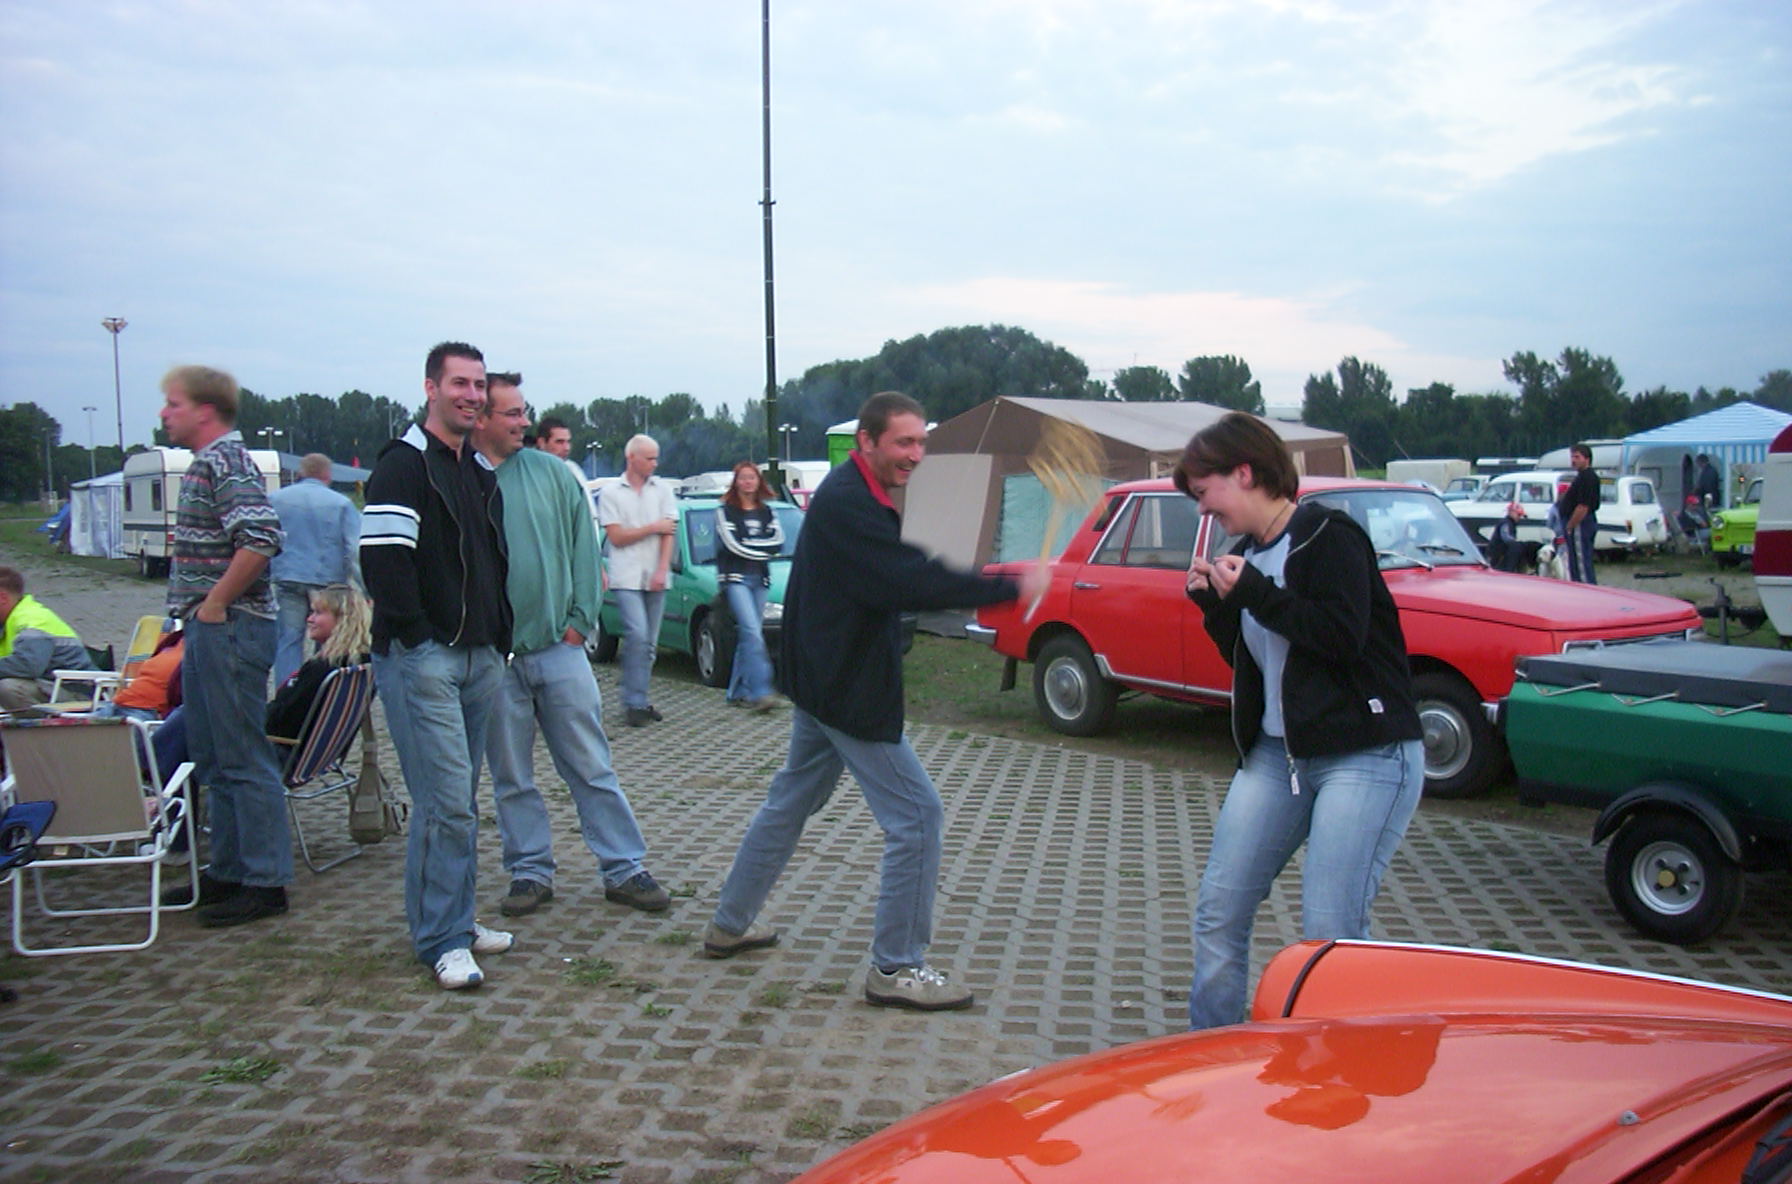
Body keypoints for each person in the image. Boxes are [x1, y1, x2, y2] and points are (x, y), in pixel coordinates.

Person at [705, 392, 1048, 1012]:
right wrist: (1008, 583)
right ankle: (897, 967)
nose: (915, 455)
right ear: (867, 441)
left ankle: (730, 922)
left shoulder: (853, 494)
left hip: (821, 679)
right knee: (917, 816)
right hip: (844, 689)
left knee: (792, 799)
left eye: (921, 442)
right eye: (903, 442)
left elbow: (882, 578)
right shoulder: (849, 503)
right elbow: (906, 578)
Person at [1175, 411, 1424, 1031]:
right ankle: (1211, 1053)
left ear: (1244, 472)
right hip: (1277, 756)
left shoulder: (1327, 536)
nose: (1203, 511)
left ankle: (1338, 1064)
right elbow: (1258, 661)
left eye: (1204, 493)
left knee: (1328, 933)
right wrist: (1216, 607)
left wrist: (1254, 594)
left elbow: (1340, 638)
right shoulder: (1244, 555)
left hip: (1366, 753)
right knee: (1219, 911)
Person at [472, 379, 669, 917]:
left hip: (560, 649)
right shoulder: (462, 477)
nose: (523, 423)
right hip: (494, 659)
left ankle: (623, 867)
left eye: (524, 412)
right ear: (481, 418)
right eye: (511, 414)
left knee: (590, 765)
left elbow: (586, 548)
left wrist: (580, 622)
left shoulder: (554, 474)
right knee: (512, 776)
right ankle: (530, 871)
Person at [360, 341, 514, 991]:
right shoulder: (403, 466)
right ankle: (441, 940)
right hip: (423, 659)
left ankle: (456, 918)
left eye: (479, 386)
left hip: (479, 656)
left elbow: (491, 560)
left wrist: (499, 637)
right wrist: (419, 636)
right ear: (430, 388)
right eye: (459, 384)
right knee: (444, 803)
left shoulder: (475, 468)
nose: (471, 396)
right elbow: (383, 562)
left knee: (459, 801)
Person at [157, 364, 292, 928]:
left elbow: (261, 538)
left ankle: (265, 882)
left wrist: (215, 604)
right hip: (211, 626)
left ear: (205, 410)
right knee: (213, 756)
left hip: (230, 626)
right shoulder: (209, 463)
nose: (164, 413)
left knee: (242, 755)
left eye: (173, 403)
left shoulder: (225, 461)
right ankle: (229, 870)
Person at [598, 433, 677, 727]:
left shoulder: (663, 490)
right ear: (632, 458)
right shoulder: (611, 493)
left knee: (650, 644)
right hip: (626, 576)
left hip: (656, 575)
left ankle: (639, 699)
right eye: (649, 458)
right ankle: (633, 700)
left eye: (656, 458)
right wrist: (652, 527)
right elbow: (617, 537)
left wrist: (662, 569)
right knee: (637, 635)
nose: (655, 464)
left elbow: (670, 533)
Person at [268, 453, 361, 686]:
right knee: (328, 641)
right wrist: (365, 588)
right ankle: (322, 689)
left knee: (289, 639)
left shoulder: (275, 499)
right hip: (327, 583)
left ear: (301, 473)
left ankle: (286, 691)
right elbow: (354, 549)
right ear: (328, 474)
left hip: (288, 578)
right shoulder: (341, 504)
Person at [716, 461, 784, 711]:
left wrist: (751, 544)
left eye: (752, 477)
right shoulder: (725, 512)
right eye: (743, 478)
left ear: (759, 481)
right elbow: (732, 545)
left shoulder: (768, 512)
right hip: (735, 579)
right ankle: (761, 691)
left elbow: (778, 542)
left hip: (760, 580)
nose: (747, 482)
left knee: (749, 635)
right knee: (752, 632)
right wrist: (761, 546)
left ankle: (737, 692)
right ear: (736, 483)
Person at [266, 583, 371, 742]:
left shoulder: (322, 669)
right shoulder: (362, 662)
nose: (309, 619)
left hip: (282, 747)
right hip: (320, 748)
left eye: (318, 613)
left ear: (343, 619)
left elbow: (283, 721)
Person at [0, 567, 96, 711]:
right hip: (48, 686)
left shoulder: (32, 619)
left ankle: (37, 726)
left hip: (76, 692)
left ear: (2, 598)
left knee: (10, 688)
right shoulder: (10, 621)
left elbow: (28, 665)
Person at [1554, 443, 1601, 584]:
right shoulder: (1581, 476)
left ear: (1587, 459)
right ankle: (1579, 586)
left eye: (1577, 457)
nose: (1573, 460)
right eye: (1572, 457)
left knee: (1581, 563)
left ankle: (1586, 589)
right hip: (1577, 523)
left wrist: (1570, 526)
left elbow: (1583, 506)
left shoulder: (1587, 477)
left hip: (1580, 524)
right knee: (1574, 561)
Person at [1486, 502, 1527, 573]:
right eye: (1518, 515)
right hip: (1498, 555)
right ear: (1511, 512)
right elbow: (1506, 537)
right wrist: (1516, 543)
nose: (1519, 517)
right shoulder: (1506, 523)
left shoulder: (1510, 523)